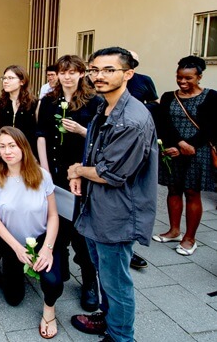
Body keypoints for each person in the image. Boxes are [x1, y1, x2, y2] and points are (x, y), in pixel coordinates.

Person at [68, 47, 157, 342]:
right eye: (94, 70)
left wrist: (78, 171)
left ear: (128, 74)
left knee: (117, 283)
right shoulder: (104, 107)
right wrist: (79, 170)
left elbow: (109, 174)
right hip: (97, 208)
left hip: (117, 214)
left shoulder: (132, 119)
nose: (99, 76)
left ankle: (121, 337)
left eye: (109, 70)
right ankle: (108, 319)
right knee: (105, 276)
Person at [36, 55, 102, 312]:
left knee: (82, 229)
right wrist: (44, 171)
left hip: (81, 174)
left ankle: (89, 282)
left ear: (81, 74)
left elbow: (100, 139)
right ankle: (58, 272)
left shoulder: (94, 102)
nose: (67, 76)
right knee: (57, 224)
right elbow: (40, 135)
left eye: (72, 72)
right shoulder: (49, 100)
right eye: (63, 72)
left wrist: (81, 131)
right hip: (53, 172)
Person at [0, 126, 61, 339]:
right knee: (14, 299)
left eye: (12, 145)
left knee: (53, 282)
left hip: (41, 239)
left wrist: (47, 249)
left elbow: (53, 216)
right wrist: (16, 248)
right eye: (2, 147)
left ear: (23, 147)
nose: (7, 151)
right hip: (12, 242)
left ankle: (49, 310)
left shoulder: (42, 176)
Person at [153, 56, 217, 256]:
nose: (182, 82)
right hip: (173, 149)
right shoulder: (168, 96)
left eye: (188, 78)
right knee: (173, 189)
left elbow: (211, 128)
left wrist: (188, 145)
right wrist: (177, 145)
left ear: (199, 77)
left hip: (198, 152)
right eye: (179, 77)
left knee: (191, 192)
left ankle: (190, 238)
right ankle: (174, 230)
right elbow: (163, 124)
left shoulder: (211, 96)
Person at [125, 51, 158, 269]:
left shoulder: (144, 81)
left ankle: (129, 249)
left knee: (130, 198)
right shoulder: (101, 86)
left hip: (135, 144)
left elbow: (154, 103)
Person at [0, 65, 39, 156]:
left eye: (10, 78)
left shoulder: (34, 103)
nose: (5, 81)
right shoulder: (0, 103)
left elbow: (39, 132)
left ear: (22, 81)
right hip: (6, 152)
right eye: (4, 78)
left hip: (28, 153)